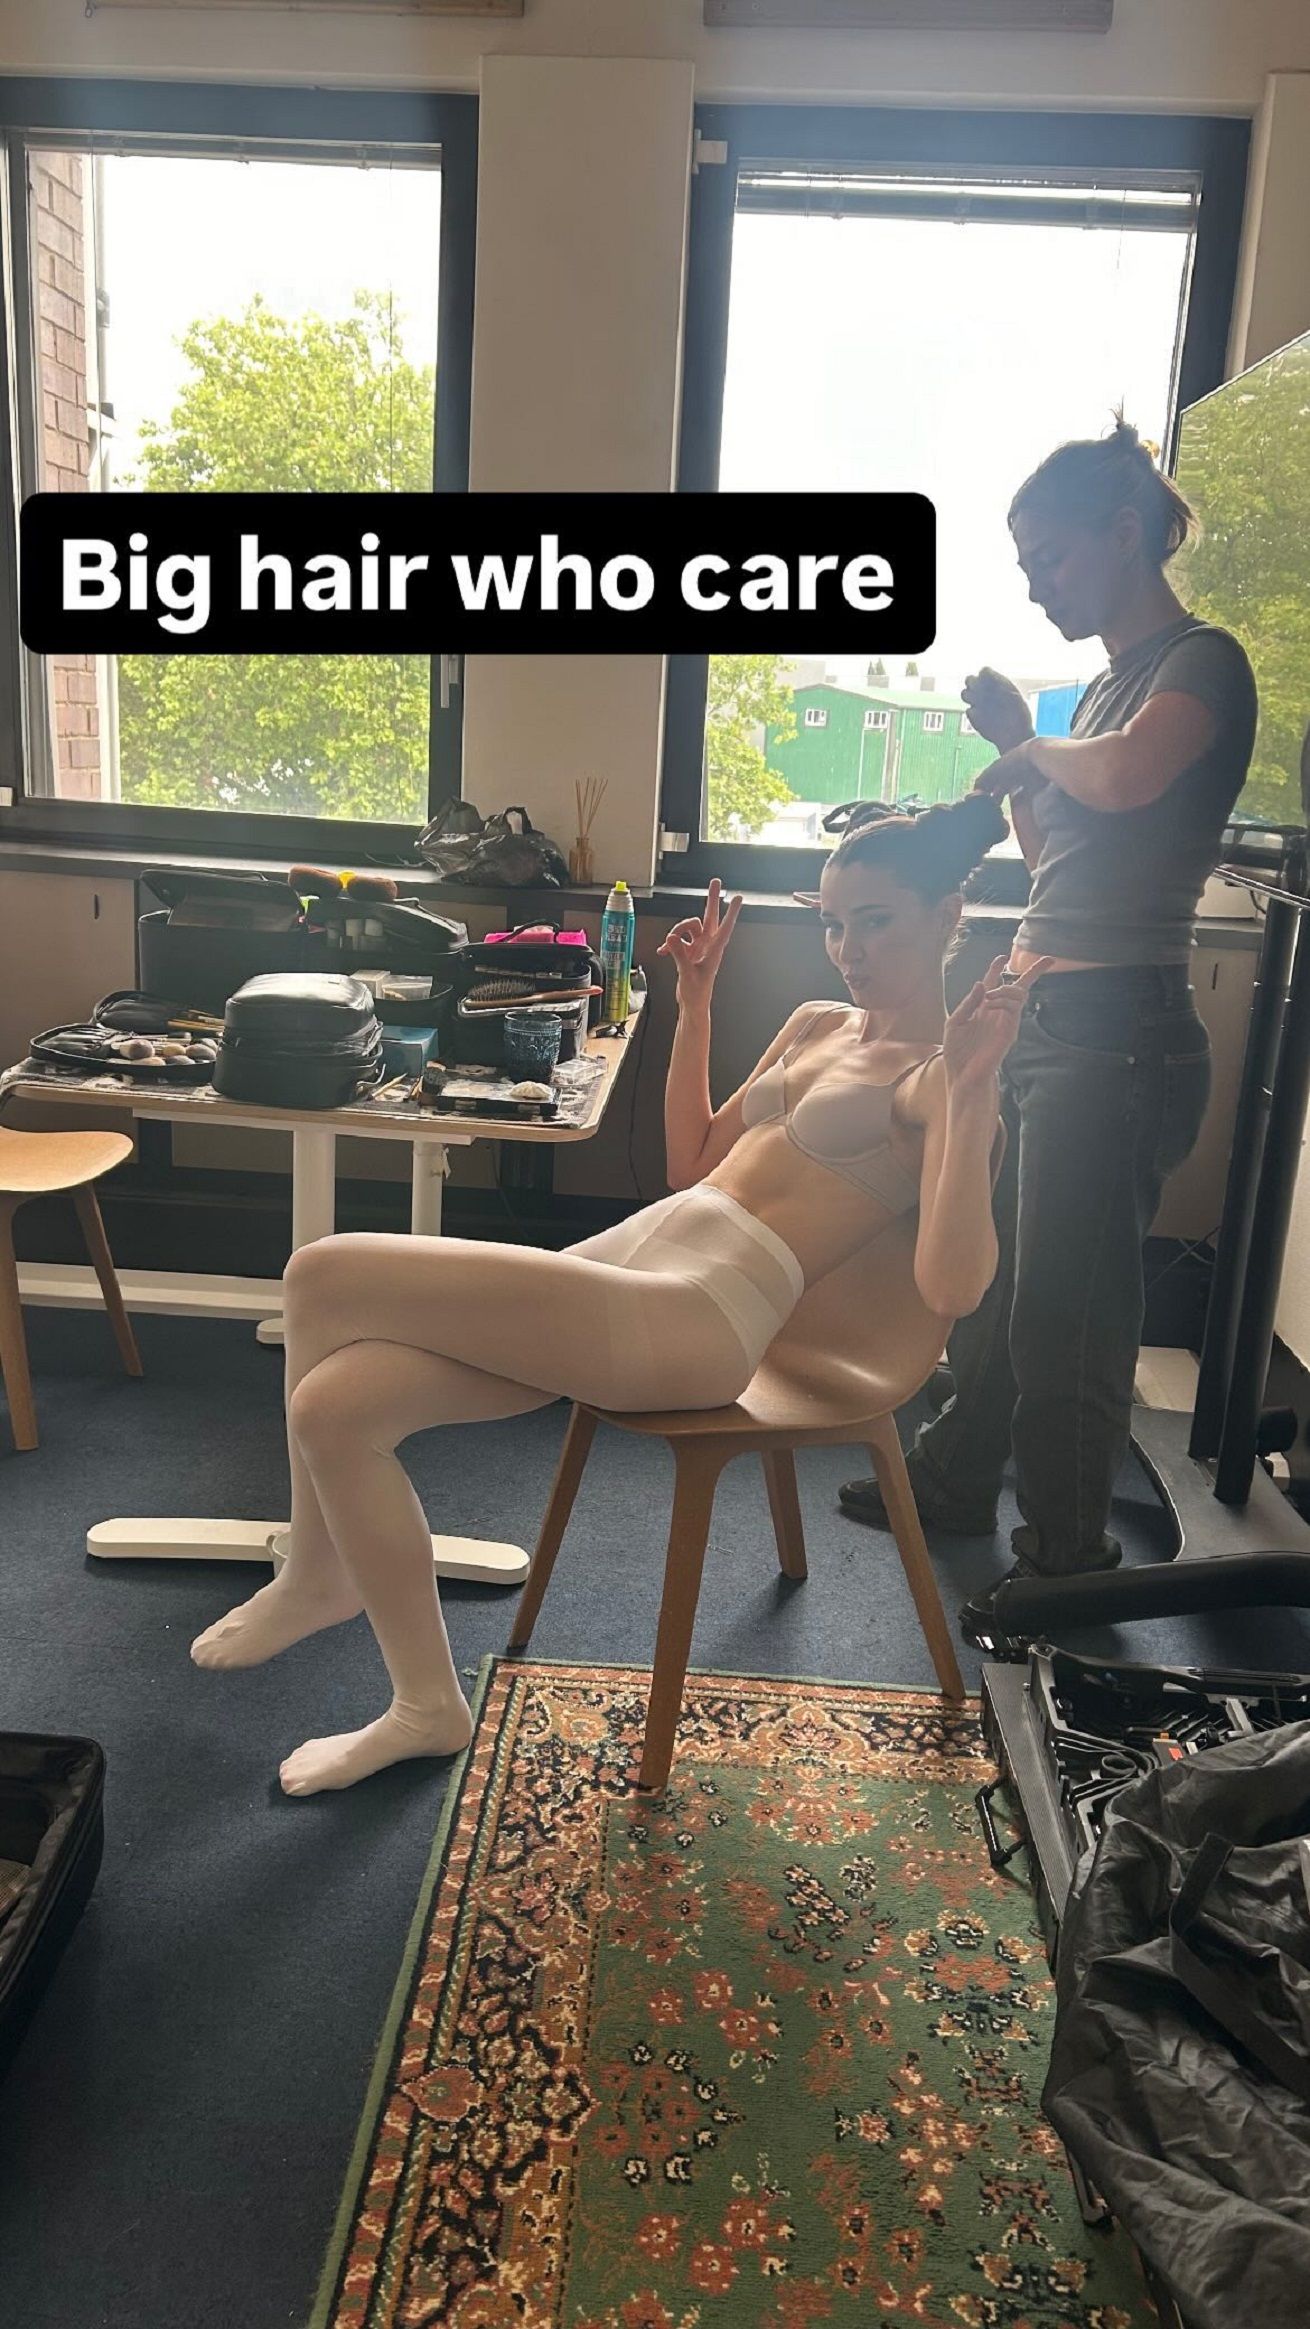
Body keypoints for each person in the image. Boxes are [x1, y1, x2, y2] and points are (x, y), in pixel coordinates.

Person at [191, 794, 1034, 1796]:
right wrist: (696, 1005)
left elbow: (952, 1285)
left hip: (702, 1313)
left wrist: (976, 1088)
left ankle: (316, 1571)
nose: (849, 949)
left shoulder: (938, 1081)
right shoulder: (815, 1023)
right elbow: (692, 1160)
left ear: (948, 916)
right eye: (832, 923)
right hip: (635, 1255)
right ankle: (425, 1705)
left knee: (320, 1272)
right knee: (334, 1408)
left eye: (877, 921)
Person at [839, 420, 1258, 1641]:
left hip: (1115, 1034)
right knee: (996, 1274)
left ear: (1123, 533)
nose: (1033, 584)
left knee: (1064, 1313)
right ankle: (956, 1475)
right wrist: (1015, 754)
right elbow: (1059, 851)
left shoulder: (1199, 663)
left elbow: (1123, 779)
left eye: (1049, 557)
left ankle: (1067, 1564)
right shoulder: (1110, 688)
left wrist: (1029, 741)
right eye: (1022, 565)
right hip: (1043, 1014)